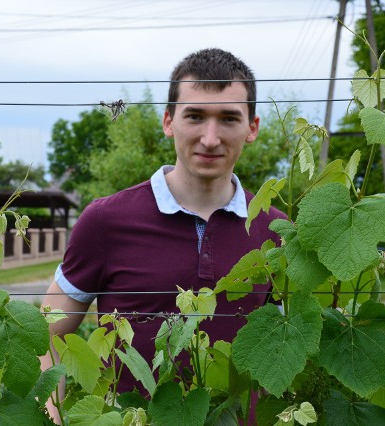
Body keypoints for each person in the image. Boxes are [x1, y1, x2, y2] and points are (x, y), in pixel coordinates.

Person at [40, 47, 286, 413]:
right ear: (169, 121)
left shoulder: (276, 230)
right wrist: (53, 419)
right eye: (195, 116)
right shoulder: (106, 221)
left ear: (252, 128)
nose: (210, 138)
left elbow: (284, 350)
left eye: (229, 119)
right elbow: (48, 334)